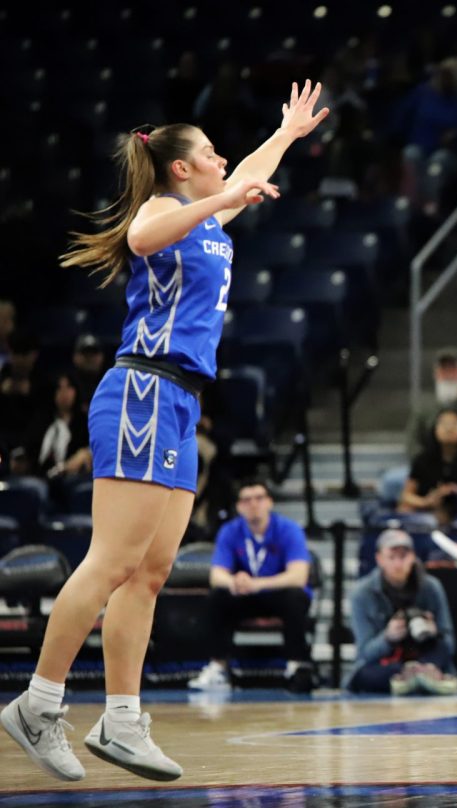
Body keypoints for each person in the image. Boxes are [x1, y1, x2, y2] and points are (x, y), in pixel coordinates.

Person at [1, 79, 327, 783]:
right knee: (109, 562)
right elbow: (142, 235)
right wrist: (225, 199)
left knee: (148, 575)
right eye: (211, 153)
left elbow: (246, 178)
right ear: (183, 167)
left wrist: (286, 136)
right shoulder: (165, 207)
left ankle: (121, 720)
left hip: (179, 400)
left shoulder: (207, 217)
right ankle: (37, 704)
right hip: (142, 388)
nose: (224, 159)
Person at [187, 480, 314, 694]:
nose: (253, 504)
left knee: (296, 597)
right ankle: (218, 667)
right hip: (245, 594)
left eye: (259, 498)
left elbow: (298, 576)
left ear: (270, 503)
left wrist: (258, 584)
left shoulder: (288, 529)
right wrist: (235, 582)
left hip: (276, 593)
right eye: (247, 500)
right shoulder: (230, 531)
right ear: (239, 506)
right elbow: (217, 575)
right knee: (217, 597)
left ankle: (297, 666)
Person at [346, 529, 457, 696]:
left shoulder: (431, 587)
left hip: (426, 658)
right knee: (364, 676)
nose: (398, 564)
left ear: (413, 557)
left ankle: (419, 675)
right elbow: (365, 653)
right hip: (388, 665)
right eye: (392, 557)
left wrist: (433, 632)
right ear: (379, 559)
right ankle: (413, 678)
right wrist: (388, 638)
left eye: (404, 556)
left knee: (439, 649)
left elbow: (449, 645)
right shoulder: (362, 593)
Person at [400, 409, 457, 525]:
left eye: (455, 424)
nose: (449, 429)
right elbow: (407, 495)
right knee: (404, 510)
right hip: (427, 509)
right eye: (444, 424)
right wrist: (426, 501)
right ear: (435, 428)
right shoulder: (423, 459)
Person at [71, 335, 107, 412]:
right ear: (75, 357)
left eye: (93, 353)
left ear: (101, 357)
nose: (90, 358)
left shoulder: (110, 383)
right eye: (85, 353)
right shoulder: (67, 384)